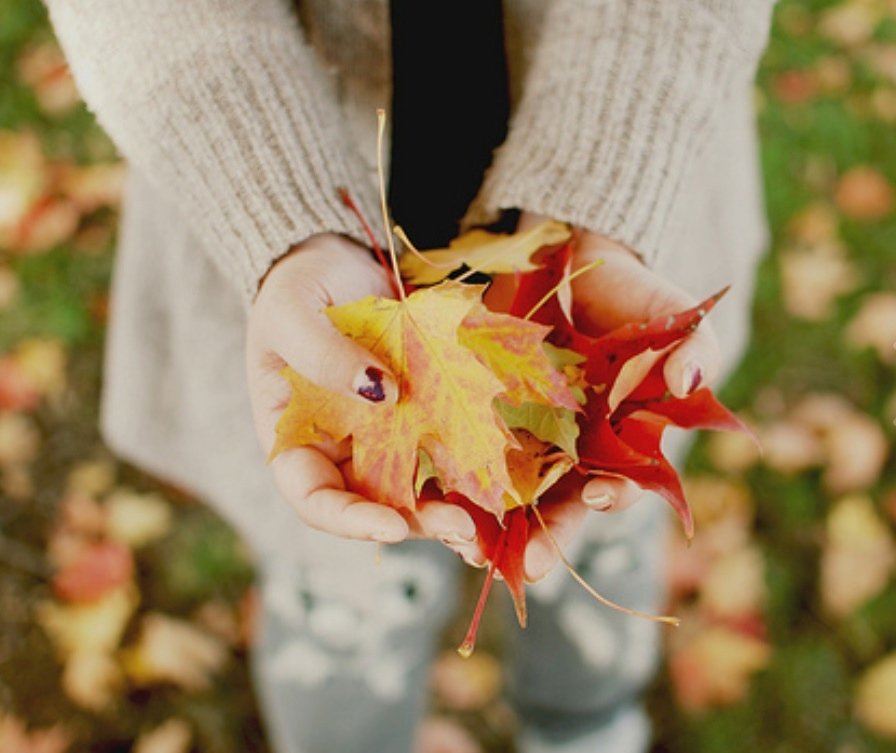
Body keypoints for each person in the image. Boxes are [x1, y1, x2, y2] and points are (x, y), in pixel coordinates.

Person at [45, 1, 775, 751]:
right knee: (344, 563)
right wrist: (284, 221)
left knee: (596, 518)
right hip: (282, 215)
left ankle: (581, 721)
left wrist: (597, 192)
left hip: (629, 171)